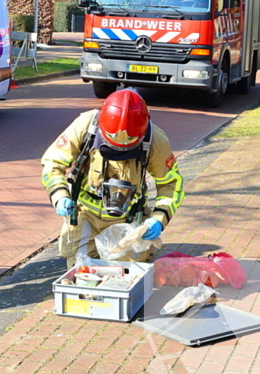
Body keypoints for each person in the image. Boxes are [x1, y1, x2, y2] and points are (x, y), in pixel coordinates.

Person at [40, 89, 186, 267]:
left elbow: (171, 184)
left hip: (128, 217)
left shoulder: (155, 140)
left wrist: (158, 218)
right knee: (81, 269)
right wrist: (60, 196)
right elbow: (52, 163)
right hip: (85, 214)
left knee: (126, 273)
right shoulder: (86, 125)